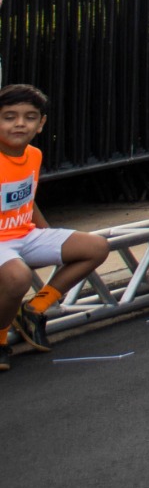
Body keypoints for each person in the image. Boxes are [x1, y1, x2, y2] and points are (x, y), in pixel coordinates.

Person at [0, 85, 110, 354]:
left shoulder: (34, 155)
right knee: (17, 277)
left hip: (24, 236)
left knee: (96, 247)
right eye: (9, 117)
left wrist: (48, 234)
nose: (19, 124)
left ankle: (34, 310)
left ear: (41, 123)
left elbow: (27, 198)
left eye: (29, 117)